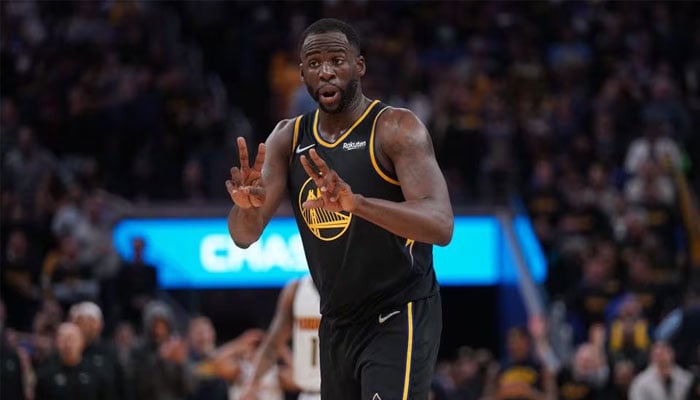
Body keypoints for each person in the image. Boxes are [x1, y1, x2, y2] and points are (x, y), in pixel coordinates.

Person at [225, 18, 454, 399]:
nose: (326, 72)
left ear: (359, 66)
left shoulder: (396, 128)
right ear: (302, 74)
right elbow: (243, 236)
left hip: (400, 310)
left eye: (337, 60)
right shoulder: (288, 137)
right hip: (336, 320)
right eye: (314, 64)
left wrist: (358, 204)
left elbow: (441, 225)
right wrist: (247, 208)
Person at [239, 275, 322, 400]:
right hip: (308, 393)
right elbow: (273, 345)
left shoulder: (348, 289)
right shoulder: (297, 289)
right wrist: (251, 385)